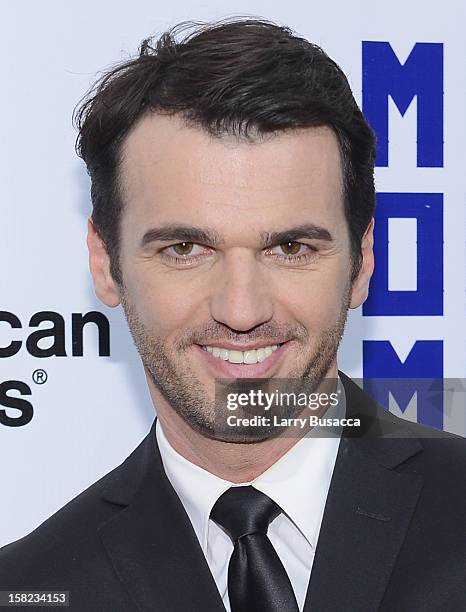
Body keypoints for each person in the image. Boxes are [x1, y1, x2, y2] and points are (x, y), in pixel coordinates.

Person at [1, 18, 465, 612]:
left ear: (364, 259)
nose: (241, 311)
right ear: (106, 261)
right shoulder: (31, 588)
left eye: (291, 248)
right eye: (185, 249)